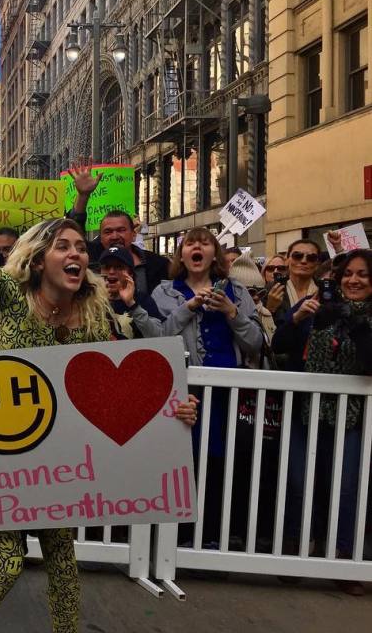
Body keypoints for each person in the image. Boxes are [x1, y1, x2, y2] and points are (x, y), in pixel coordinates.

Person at [0, 109, 198, 633]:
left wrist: (176, 410)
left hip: (58, 465)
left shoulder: (97, 316)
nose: (77, 252)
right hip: (5, 454)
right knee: (8, 562)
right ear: (39, 261)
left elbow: (125, 384)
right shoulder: (10, 296)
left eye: (82, 247)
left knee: (63, 559)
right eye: (64, 246)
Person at [152, 227, 263, 547]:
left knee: (222, 463)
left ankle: (215, 537)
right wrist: (186, 309)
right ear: (182, 254)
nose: (197, 248)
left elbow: (255, 342)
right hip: (185, 392)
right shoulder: (165, 292)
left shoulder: (237, 291)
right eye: (190, 243)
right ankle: (182, 538)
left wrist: (231, 311)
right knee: (185, 463)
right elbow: (158, 339)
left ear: (214, 253)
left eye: (204, 243)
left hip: (228, 392)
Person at [273, 249, 372, 596]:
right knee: (300, 482)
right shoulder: (319, 310)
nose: (354, 280)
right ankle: (296, 549)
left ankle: (343, 559)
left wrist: (355, 322)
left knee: (345, 487)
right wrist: (297, 319)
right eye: (348, 274)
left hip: (353, 417)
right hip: (306, 412)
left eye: (362, 274)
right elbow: (279, 346)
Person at [67, 160, 169, 297]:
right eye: (108, 232)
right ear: (101, 237)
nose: (115, 236)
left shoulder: (157, 264)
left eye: (121, 230)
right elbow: (74, 230)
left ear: (133, 234)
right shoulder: (90, 258)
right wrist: (83, 196)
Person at [97, 246, 163, 339]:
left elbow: (158, 336)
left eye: (119, 267)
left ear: (130, 273)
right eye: (106, 267)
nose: (111, 271)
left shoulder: (143, 300)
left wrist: (132, 305)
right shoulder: (91, 301)